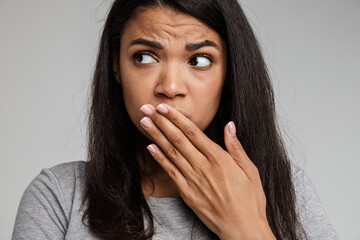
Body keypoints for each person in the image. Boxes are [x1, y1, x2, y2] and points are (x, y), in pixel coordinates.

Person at [12, 0, 338, 239]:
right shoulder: (58, 196)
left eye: (199, 60)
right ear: (116, 66)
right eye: (144, 57)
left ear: (229, 72)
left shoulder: (287, 191)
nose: (169, 87)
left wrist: (248, 230)